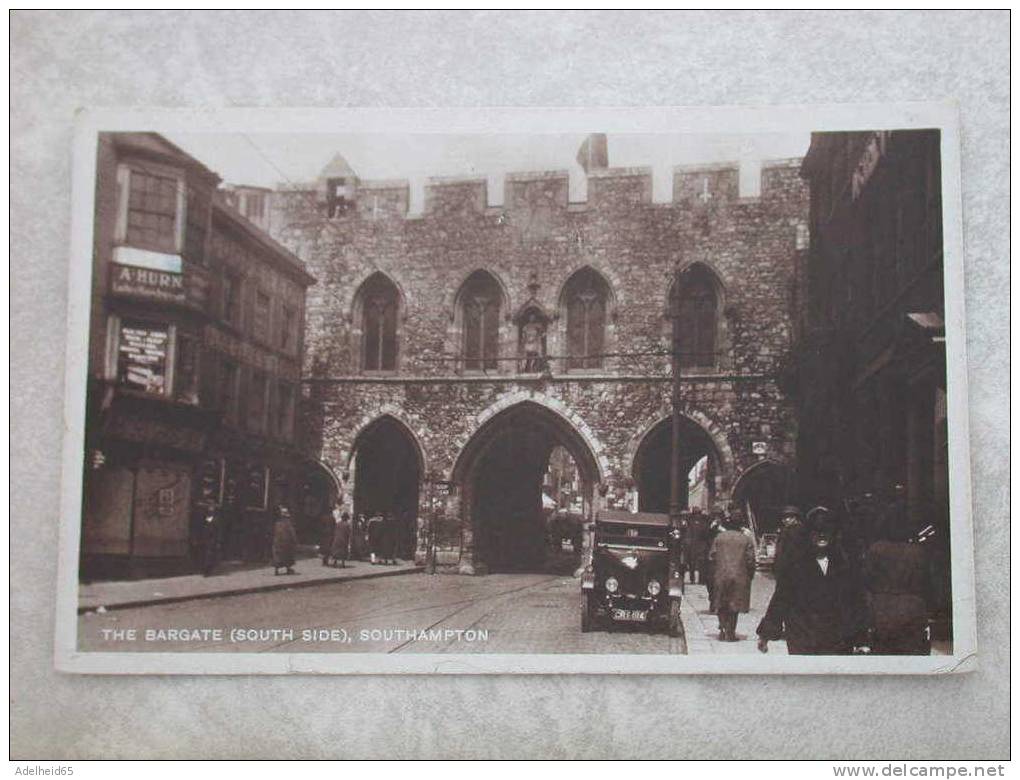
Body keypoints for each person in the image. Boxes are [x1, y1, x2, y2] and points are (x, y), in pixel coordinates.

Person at [757, 507, 871, 655]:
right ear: (808, 535)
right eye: (817, 531)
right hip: (803, 636)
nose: (822, 535)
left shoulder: (845, 566)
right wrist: (766, 634)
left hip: (837, 640)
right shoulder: (796, 565)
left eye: (826, 531)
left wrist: (861, 639)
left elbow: (855, 602)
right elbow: (781, 599)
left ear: (833, 534)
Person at [863, 515, 930, 654]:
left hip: (881, 608)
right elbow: (925, 583)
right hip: (912, 608)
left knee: (882, 654)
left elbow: (867, 580)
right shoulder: (917, 552)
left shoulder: (876, 549)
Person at [708, 509, 756, 641]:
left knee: (721, 602)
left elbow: (712, 556)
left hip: (721, 574)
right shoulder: (746, 540)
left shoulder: (719, 538)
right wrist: (750, 575)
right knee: (734, 604)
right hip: (739, 575)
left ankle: (722, 628)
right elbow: (750, 560)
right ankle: (731, 631)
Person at [773, 504, 805, 579]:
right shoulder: (784, 531)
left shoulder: (800, 532)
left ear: (795, 518)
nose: (784, 520)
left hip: (794, 571)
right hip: (783, 570)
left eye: (788, 517)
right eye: (783, 518)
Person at [271, 505, 298, 575]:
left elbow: (275, 533)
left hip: (278, 542)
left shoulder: (277, 524)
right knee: (287, 556)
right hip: (286, 542)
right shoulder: (288, 524)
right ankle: (288, 568)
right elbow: (292, 533)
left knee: (278, 556)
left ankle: (276, 570)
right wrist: (294, 541)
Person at [684, 508, 709, 585]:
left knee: (699, 563)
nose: (697, 515)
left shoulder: (700, 522)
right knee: (694, 563)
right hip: (695, 544)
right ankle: (695, 579)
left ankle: (699, 580)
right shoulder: (700, 522)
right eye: (696, 514)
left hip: (698, 544)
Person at [199, 503, 221, 577]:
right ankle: (206, 570)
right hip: (206, 539)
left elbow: (216, 530)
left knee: (209, 555)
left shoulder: (215, 519)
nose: (210, 509)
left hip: (211, 539)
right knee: (206, 555)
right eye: (210, 508)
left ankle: (207, 570)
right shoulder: (205, 518)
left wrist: (217, 540)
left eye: (212, 508)